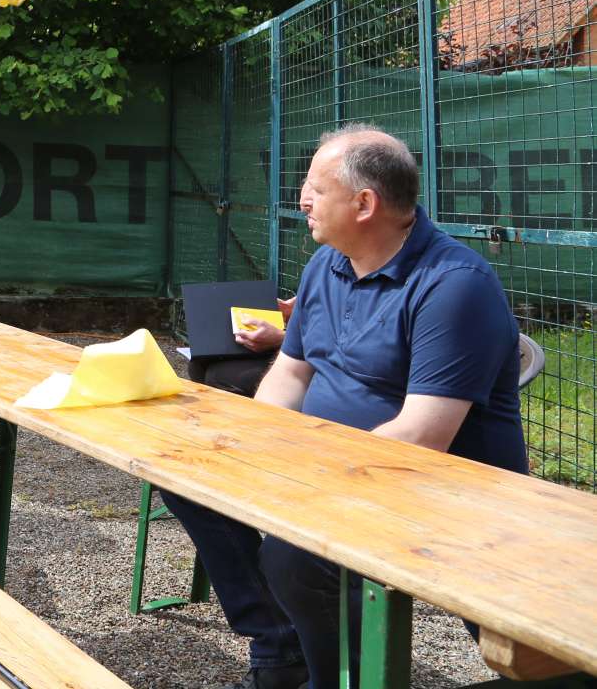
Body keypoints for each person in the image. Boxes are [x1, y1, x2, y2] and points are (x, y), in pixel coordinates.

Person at [160, 124, 527, 689]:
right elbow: (291, 370)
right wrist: (248, 448)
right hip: (335, 468)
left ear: (364, 204)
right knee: (188, 475)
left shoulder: (453, 285)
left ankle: (337, 680)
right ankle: (282, 652)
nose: (301, 200)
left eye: (314, 188)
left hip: (439, 492)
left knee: (294, 555)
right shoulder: (325, 265)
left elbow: (422, 436)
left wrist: (307, 480)